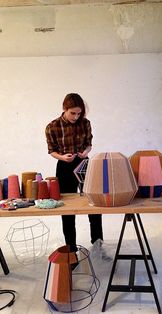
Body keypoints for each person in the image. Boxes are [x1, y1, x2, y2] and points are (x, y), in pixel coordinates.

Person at [45, 93, 104, 254]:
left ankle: (98, 244)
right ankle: (71, 249)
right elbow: (52, 151)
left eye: (79, 113)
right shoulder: (52, 126)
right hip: (64, 166)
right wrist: (63, 157)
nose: (76, 116)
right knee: (67, 208)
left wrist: (85, 152)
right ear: (65, 109)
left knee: (94, 203)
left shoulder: (85, 123)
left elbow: (89, 145)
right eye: (73, 113)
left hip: (84, 164)